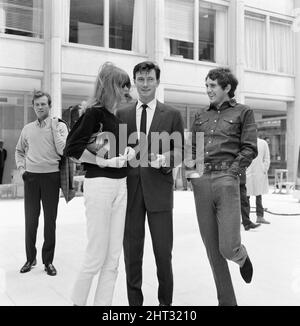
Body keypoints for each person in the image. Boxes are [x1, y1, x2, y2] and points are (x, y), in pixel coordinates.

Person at [64, 62, 134, 306]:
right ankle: (77, 303)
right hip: (100, 185)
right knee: (96, 255)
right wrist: (105, 163)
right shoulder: (93, 113)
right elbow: (72, 148)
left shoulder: (115, 117)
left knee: (113, 259)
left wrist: (125, 153)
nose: (127, 90)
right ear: (111, 86)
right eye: (123, 85)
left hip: (121, 185)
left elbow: (110, 150)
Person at [186, 67, 258, 306]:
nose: (208, 90)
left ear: (227, 88)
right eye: (206, 86)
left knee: (227, 247)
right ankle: (227, 302)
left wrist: (232, 174)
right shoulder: (199, 116)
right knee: (212, 250)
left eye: (212, 86)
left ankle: (240, 256)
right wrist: (193, 175)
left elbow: (249, 148)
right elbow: (193, 150)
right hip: (202, 182)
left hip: (227, 180)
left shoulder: (243, 112)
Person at [116, 61, 184, 306]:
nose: (145, 84)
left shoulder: (173, 115)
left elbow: (181, 151)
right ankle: (135, 305)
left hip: (160, 193)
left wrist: (165, 159)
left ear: (157, 81)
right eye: (141, 79)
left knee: (163, 255)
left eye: (150, 79)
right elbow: (114, 149)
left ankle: (165, 304)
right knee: (132, 255)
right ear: (135, 81)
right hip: (130, 194)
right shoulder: (121, 113)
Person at [15, 90, 69, 276]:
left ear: (49, 105)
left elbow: (63, 151)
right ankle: (30, 259)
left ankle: (48, 262)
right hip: (31, 178)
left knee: (50, 221)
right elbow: (19, 151)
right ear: (33, 106)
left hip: (51, 178)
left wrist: (53, 127)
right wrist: (22, 170)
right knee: (30, 221)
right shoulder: (27, 129)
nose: (40, 107)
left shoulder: (59, 126)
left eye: (43, 104)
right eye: (37, 104)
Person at [246, 137, 271, 224]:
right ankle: (246, 219)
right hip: (247, 172)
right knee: (246, 197)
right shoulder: (245, 142)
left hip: (259, 172)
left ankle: (260, 217)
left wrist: (264, 169)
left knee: (259, 196)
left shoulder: (263, 143)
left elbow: (267, 158)